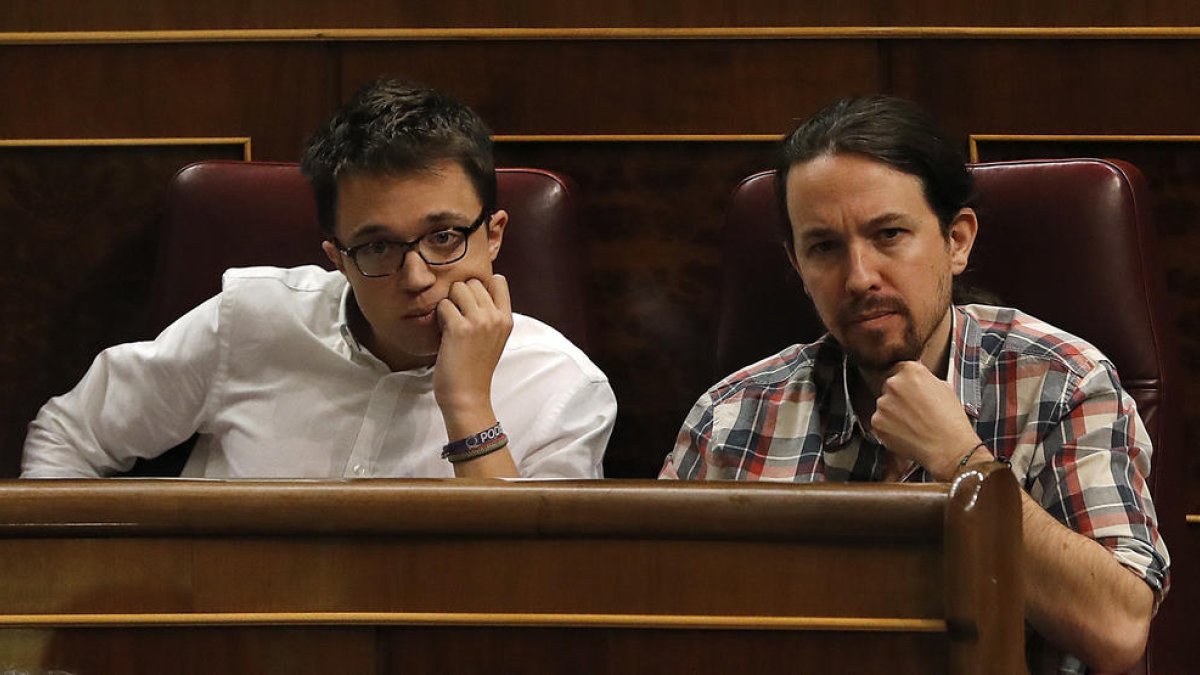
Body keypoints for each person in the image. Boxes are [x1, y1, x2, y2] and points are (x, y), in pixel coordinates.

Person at [660, 95, 1169, 674]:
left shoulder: (1062, 382)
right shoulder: (732, 418)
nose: (859, 278)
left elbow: (1118, 630)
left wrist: (965, 462)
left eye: (889, 235)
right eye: (824, 247)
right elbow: (654, 625)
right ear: (796, 266)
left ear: (957, 241)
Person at [23, 79, 615, 479]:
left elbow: (531, 592)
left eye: (443, 237)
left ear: (494, 234)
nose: (415, 277)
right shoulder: (249, 321)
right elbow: (70, 436)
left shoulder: (564, 390)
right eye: (377, 246)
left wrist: (467, 408)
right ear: (337, 255)